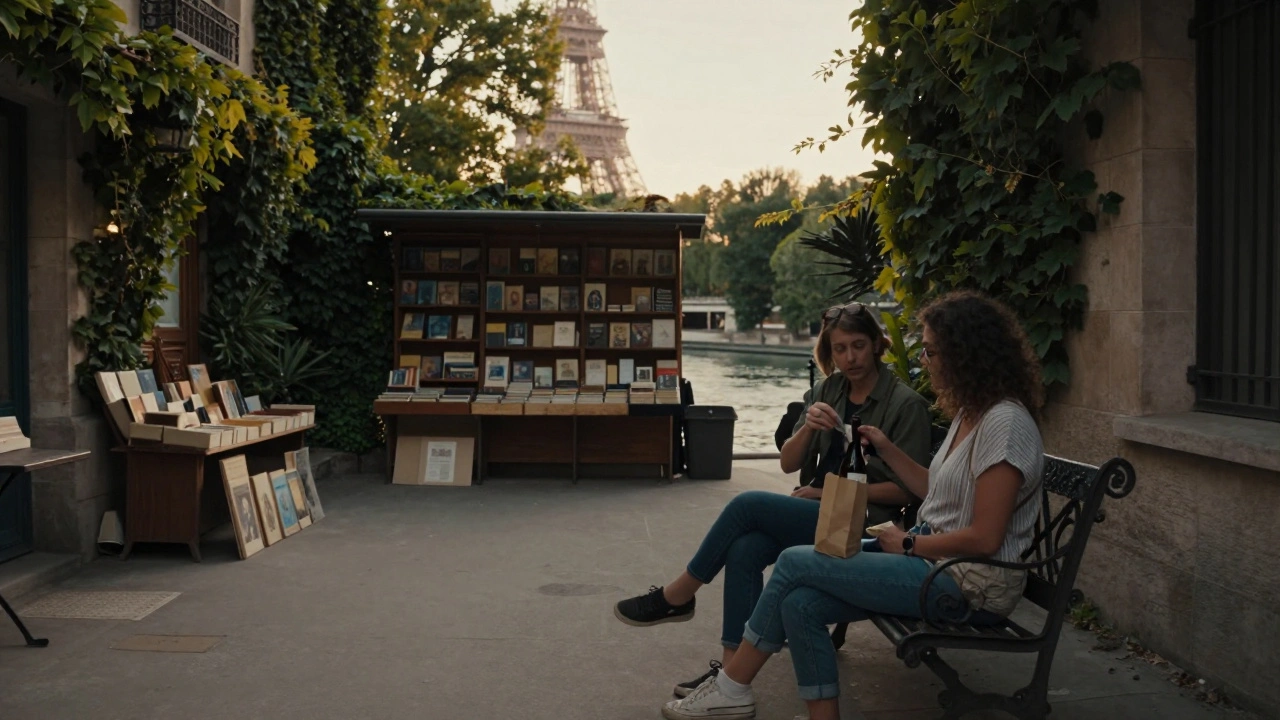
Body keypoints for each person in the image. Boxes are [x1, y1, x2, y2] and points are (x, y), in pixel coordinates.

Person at [658, 290, 1047, 720]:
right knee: (798, 602)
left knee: (792, 561)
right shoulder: (972, 413)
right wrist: (883, 446)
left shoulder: (1004, 424)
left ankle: (731, 688)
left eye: (933, 351)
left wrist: (909, 546)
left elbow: (987, 537)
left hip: (970, 585)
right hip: (936, 565)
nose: (927, 360)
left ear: (965, 354)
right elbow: (935, 487)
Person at [613, 301, 932, 699]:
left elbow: (908, 490)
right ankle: (730, 678)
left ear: (876, 345)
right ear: (828, 352)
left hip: (866, 524)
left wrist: (824, 491)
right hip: (817, 512)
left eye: (858, 346)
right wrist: (805, 430)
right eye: (839, 349)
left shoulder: (904, 404)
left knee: (747, 506)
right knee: (746, 547)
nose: (850, 358)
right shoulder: (827, 389)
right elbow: (787, 463)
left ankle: (678, 595)